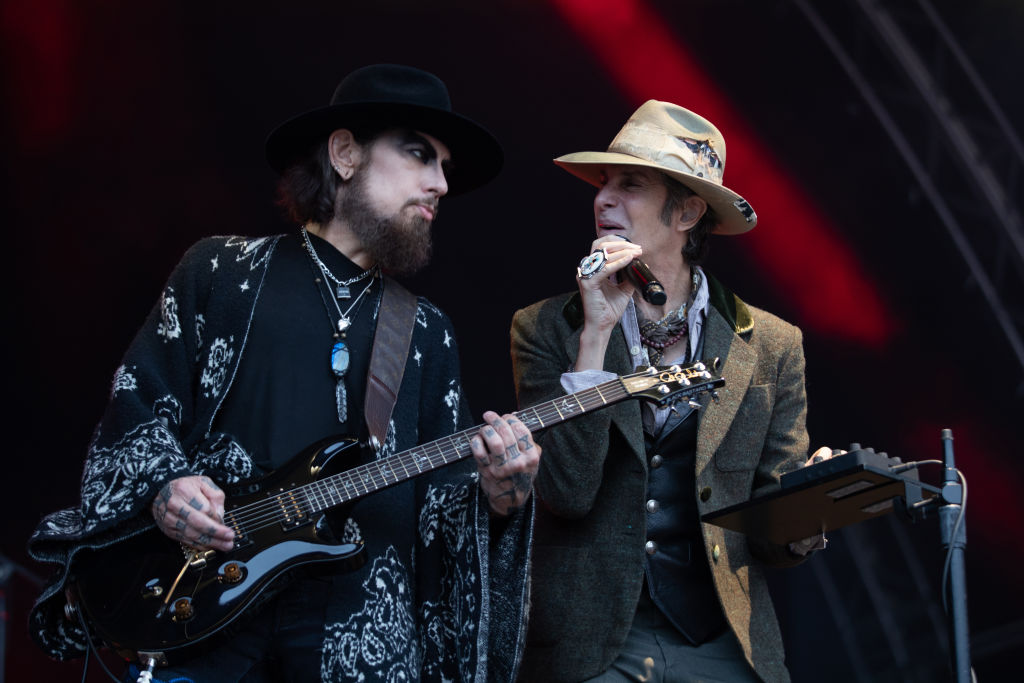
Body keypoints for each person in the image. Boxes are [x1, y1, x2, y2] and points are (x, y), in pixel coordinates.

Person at [27, 64, 539, 683]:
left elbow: (439, 512)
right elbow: (137, 406)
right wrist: (167, 489)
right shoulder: (222, 272)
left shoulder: (426, 330)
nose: (439, 184)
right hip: (204, 615)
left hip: (358, 640)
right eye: (418, 154)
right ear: (345, 153)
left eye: (444, 168)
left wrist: (499, 498)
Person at [511, 100, 831, 682]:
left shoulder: (772, 345)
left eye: (629, 185)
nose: (602, 199)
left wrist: (809, 513)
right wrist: (595, 336)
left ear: (686, 213)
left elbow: (769, 537)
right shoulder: (544, 328)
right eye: (604, 183)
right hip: (592, 647)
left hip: (721, 643)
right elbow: (567, 494)